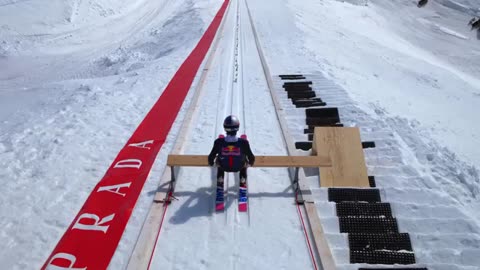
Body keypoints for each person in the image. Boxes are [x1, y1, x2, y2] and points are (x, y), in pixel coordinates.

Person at [208, 115, 255, 188]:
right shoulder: (244, 142)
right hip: (239, 166)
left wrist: (213, 164)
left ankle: (220, 178)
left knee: (219, 159)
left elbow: (211, 157)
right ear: (237, 128)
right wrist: (249, 164)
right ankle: (242, 179)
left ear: (225, 128)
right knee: (244, 157)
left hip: (224, 166)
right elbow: (251, 157)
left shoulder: (218, 142)